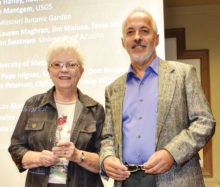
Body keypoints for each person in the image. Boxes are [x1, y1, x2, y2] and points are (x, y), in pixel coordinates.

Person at [99, 8, 216, 187]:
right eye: (130, 32)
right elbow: (108, 136)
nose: (137, 37)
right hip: (127, 181)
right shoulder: (113, 89)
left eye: (144, 31)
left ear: (156, 39)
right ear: (123, 42)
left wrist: (172, 153)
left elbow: (205, 122)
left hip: (175, 178)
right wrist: (106, 157)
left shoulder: (183, 74)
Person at [8, 38, 104, 187]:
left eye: (71, 64)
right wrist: (39, 158)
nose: (64, 70)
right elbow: (16, 149)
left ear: (81, 71)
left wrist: (78, 155)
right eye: (57, 64)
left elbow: (105, 161)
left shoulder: (95, 110)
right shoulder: (32, 105)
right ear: (49, 70)